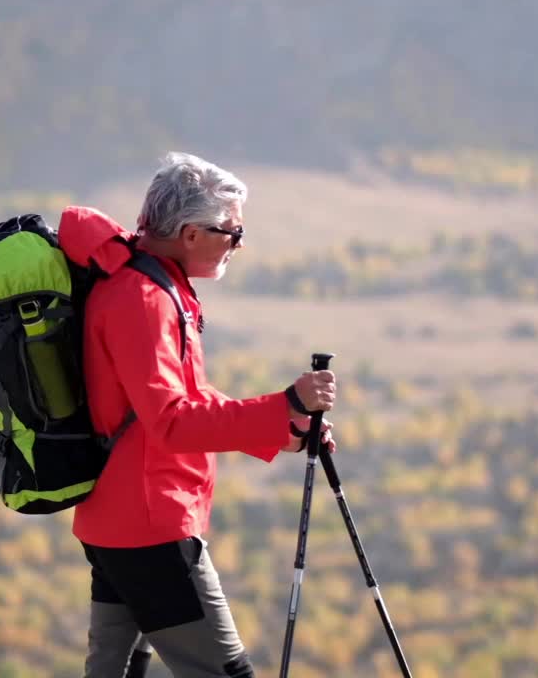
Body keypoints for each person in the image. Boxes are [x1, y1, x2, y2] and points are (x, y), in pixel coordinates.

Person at [56, 152, 337, 677]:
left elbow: (184, 397)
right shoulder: (143, 297)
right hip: (151, 523)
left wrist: (286, 429)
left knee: (113, 672)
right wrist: (288, 404)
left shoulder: (151, 281)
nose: (239, 242)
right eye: (231, 230)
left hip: (121, 516)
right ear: (189, 233)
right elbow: (172, 421)